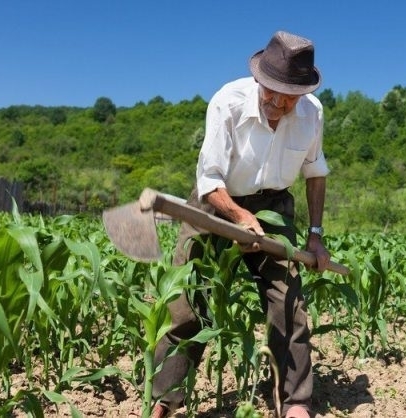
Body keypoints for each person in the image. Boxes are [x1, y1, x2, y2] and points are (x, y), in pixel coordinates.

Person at [149, 31, 331, 418]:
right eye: (271, 92)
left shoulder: (312, 112)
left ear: (302, 91)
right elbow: (209, 179)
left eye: (288, 96)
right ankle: (164, 399)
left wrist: (315, 235)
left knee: (288, 302)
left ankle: (296, 401)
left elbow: (315, 172)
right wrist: (239, 216)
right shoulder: (227, 102)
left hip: (275, 207)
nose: (278, 104)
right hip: (217, 203)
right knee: (187, 304)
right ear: (259, 79)